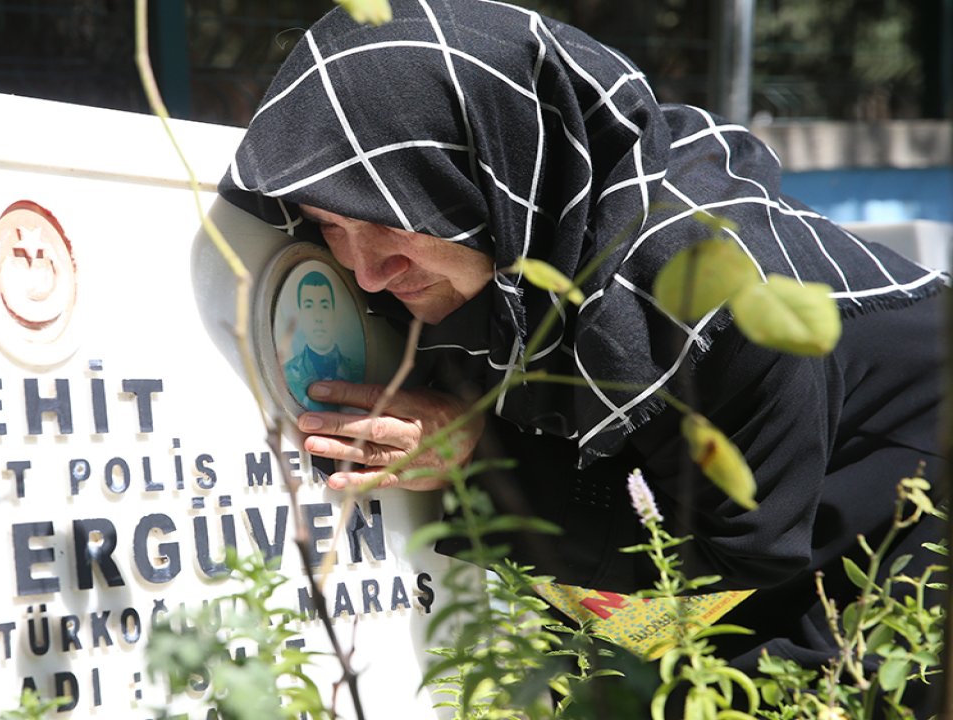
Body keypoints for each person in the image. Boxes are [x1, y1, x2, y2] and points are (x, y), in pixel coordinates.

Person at [218, 0, 947, 701]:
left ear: (494, 175)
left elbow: (741, 547)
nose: (367, 272)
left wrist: (482, 460)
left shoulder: (708, 288)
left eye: (390, 220)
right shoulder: (513, 248)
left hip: (906, 488)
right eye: (332, 226)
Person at [282, 269, 363, 410]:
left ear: (334, 312)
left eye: (324, 306)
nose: (318, 317)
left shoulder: (358, 372)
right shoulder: (285, 375)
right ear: (300, 315)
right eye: (309, 306)